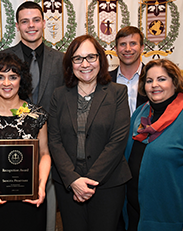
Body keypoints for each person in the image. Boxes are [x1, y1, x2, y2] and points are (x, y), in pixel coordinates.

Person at [0, 3, 64, 229]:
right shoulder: (2, 57)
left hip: (49, 146)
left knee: (47, 213)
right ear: (17, 26)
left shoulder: (61, 59)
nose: (30, 26)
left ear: (43, 23)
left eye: (35, 20)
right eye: (25, 21)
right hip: (10, 147)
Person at [48, 34, 132, 231]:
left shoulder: (117, 92)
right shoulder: (59, 95)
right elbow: (54, 140)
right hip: (68, 184)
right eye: (77, 58)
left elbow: (117, 142)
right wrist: (74, 180)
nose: (85, 64)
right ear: (70, 64)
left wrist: (89, 181)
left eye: (91, 57)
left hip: (108, 184)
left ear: (100, 60)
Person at [0, 53, 51, 231]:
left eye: (13, 77)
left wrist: (42, 185)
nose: (6, 83)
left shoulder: (36, 114)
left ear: (21, 80)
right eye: (0, 77)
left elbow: (44, 154)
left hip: (30, 198)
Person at [123, 59, 183, 231]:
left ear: (175, 82)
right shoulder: (141, 113)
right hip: (135, 214)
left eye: (162, 79)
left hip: (170, 217)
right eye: (149, 80)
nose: (154, 85)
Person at [109, 26, 148, 115]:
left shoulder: (152, 78)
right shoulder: (105, 80)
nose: (127, 49)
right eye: (123, 44)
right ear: (116, 49)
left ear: (142, 48)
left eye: (133, 43)